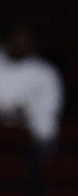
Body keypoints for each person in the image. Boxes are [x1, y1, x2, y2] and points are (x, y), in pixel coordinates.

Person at [0, 22, 64, 160]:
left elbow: (49, 112)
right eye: (17, 38)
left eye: (25, 39)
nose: (20, 43)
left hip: (30, 141)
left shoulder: (45, 72)